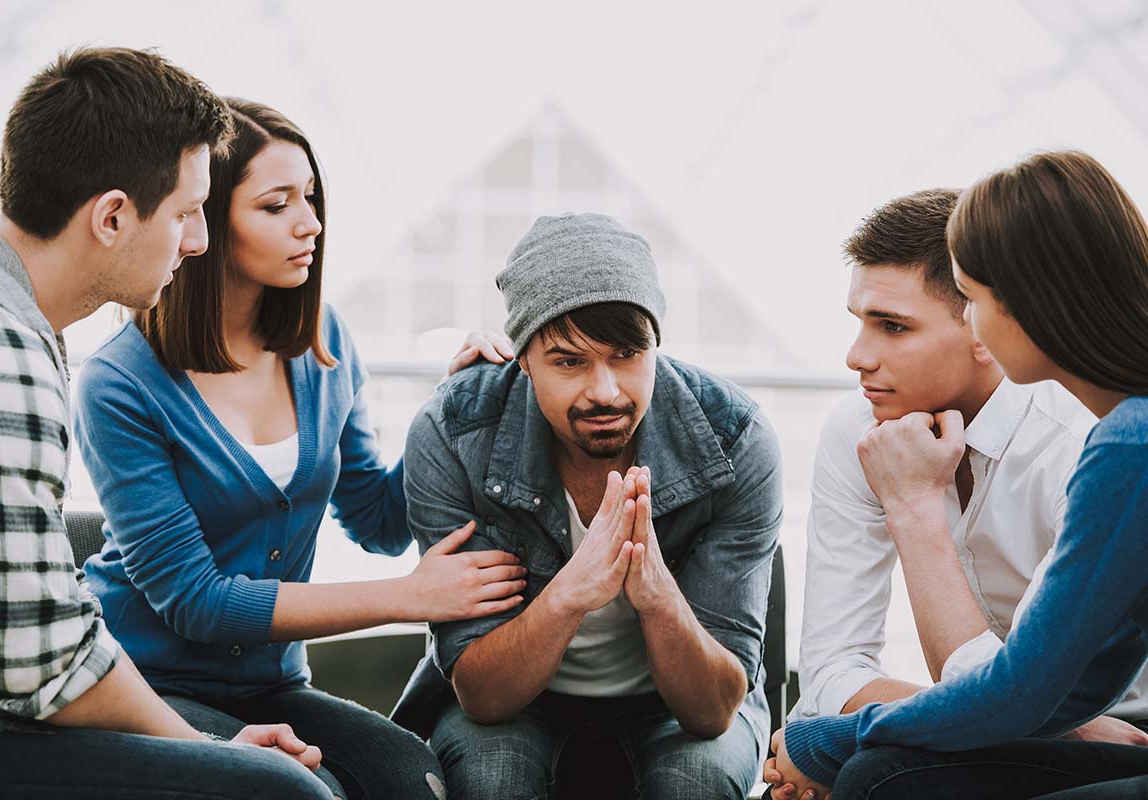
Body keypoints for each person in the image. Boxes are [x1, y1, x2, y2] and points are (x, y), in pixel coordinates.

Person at [72, 98, 516, 800]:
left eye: (310, 199)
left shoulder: (325, 342)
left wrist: (452, 406)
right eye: (276, 204)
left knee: (414, 778)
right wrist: (408, 598)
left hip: (274, 684)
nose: (310, 223)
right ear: (203, 222)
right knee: (307, 793)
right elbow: (198, 603)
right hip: (144, 685)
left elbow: (378, 519)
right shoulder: (118, 384)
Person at [0, 48, 336, 798]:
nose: (197, 243)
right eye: (188, 213)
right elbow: (46, 667)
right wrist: (213, 750)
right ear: (113, 216)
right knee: (280, 793)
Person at [767, 150, 1148, 800]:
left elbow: (1020, 692)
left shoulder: (1115, 442)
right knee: (877, 772)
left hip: (1121, 726)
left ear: (1028, 304)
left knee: (874, 773)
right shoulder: (1128, 432)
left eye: (971, 299)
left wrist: (824, 741)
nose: (857, 357)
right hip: (1065, 715)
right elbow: (1056, 694)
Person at [389, 212, 784, 799]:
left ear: (656, 345)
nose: (605, 390)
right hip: (520, 700)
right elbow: (484, 697)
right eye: (569, 361)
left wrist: (655, 594)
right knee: (492, 778)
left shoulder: (735, 439)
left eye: (626, 354)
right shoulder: (454, 432)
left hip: (674, 705)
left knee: (695, 781)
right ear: (522, 359)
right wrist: (573, 590)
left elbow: (712, 712)